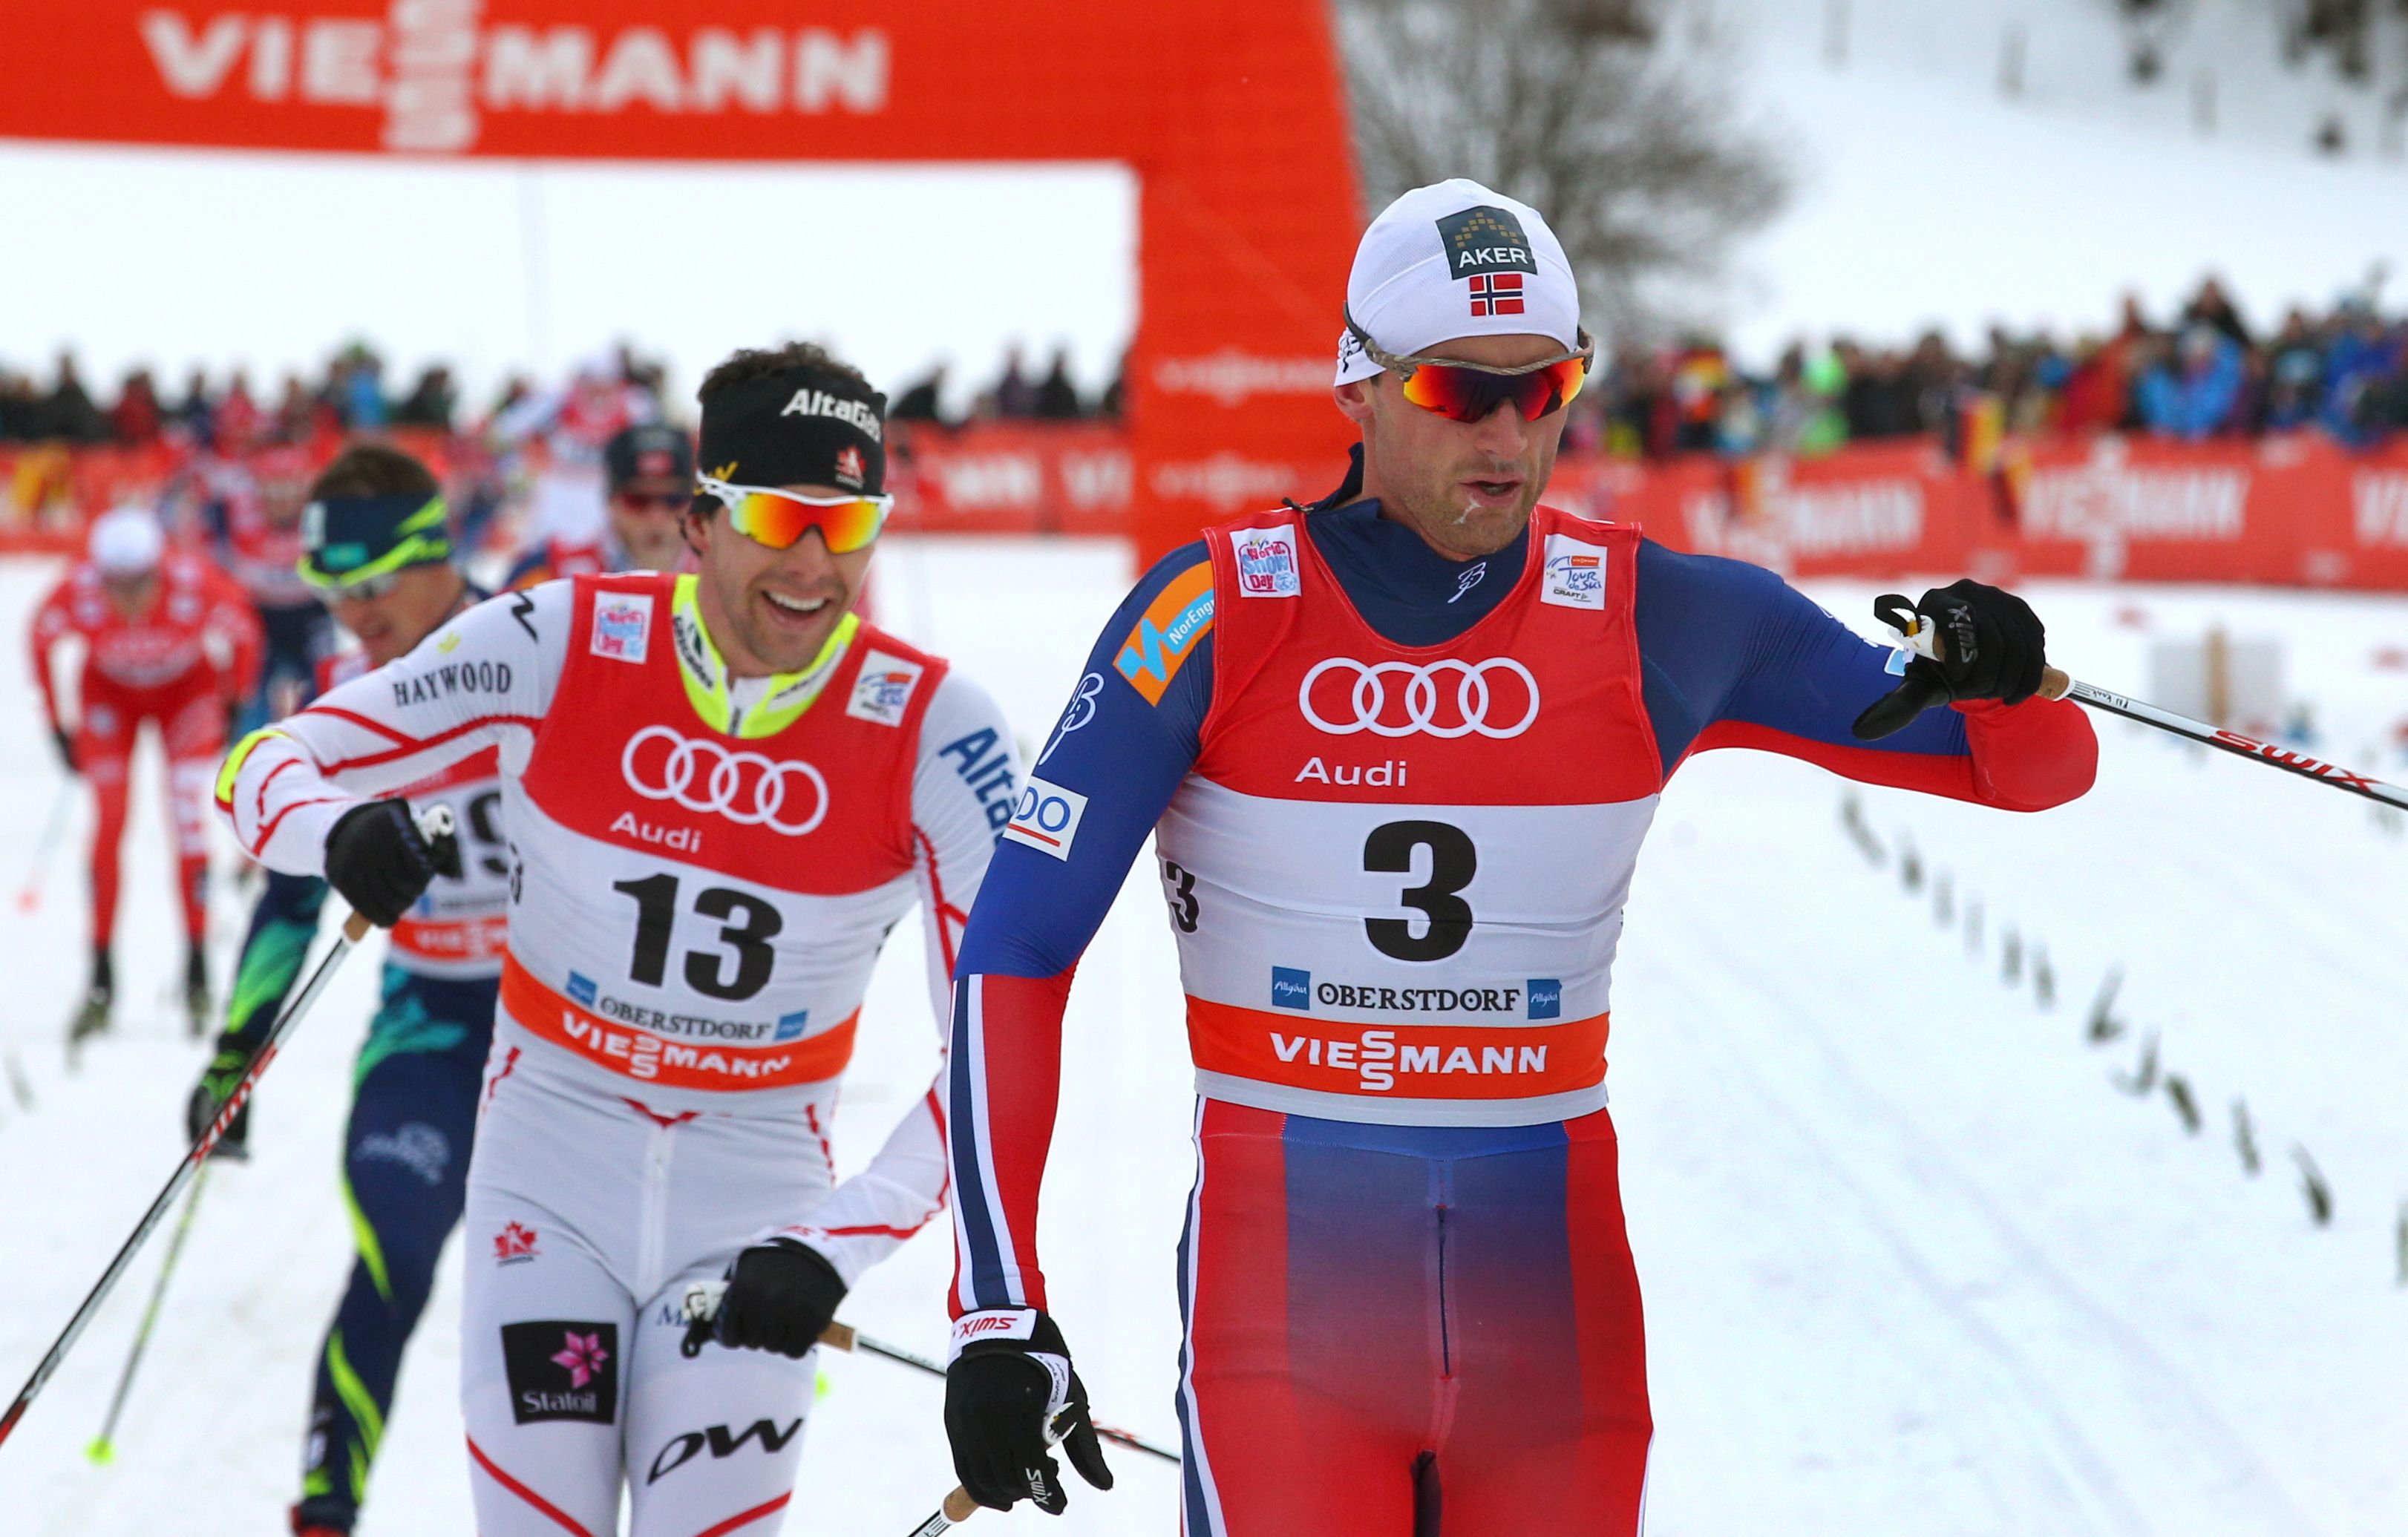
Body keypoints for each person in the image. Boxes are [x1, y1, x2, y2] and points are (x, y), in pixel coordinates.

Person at [938, 180, 2100, 1533]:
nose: (1504, 434)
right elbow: (1019, 941)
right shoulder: (1216, 611)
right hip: (1289, 1323)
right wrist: (996, 1310)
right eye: (1456, 392)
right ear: (1359, 385)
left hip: (1552, 1331)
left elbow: (2032, 771)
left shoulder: (1663, 615)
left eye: (1543, 388)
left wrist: (2006, 676)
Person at [216, 342, 1018, 1537]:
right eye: (779, 518)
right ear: (701, 521)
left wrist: (836, 1240)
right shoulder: (562, 637)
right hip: (552, 1177)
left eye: (850, 525)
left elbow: (1004, 1055)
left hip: (754, 1210)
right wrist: (337, 831)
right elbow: (268, 760)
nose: (815, 564)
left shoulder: (939, 731)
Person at [190, 442, 506, 1537]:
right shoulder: (342, 702)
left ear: (437, 552)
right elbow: (286, 897)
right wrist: (235, 1051)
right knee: (395, 1254)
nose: (351, 612)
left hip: (572, 1038)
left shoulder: (538, 651)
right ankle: (325, 1512)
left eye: (371, 582)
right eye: (328, 587)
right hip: (431, 1026)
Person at [31, 503, 261, 1043]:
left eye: (139, 583)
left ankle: (198, 968)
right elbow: (39, 640)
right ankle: (101, 973)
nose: (128, 598)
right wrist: (57, 723)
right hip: (109, 695)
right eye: (116, 585)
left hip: (187, 693)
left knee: (187, 820)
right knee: (110, 823)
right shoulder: (79, 591)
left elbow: (245, 633)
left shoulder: (195, 583)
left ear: (160, 568)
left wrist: (234, 701)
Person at [200, 440, 333, 734]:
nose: (281, 501)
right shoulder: (231, 512)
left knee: (326, 693)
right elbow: (207, 567)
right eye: (272, 490)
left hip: (312, 616)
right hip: (260, 618)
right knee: (249, 700)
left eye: (291, 489)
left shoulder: (325, 514)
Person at [504, 421, 694, 588]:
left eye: (674, 500)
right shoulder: (551, 571)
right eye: (638, 501)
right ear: (611, 501)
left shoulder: (710, 576)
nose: (656, 517)